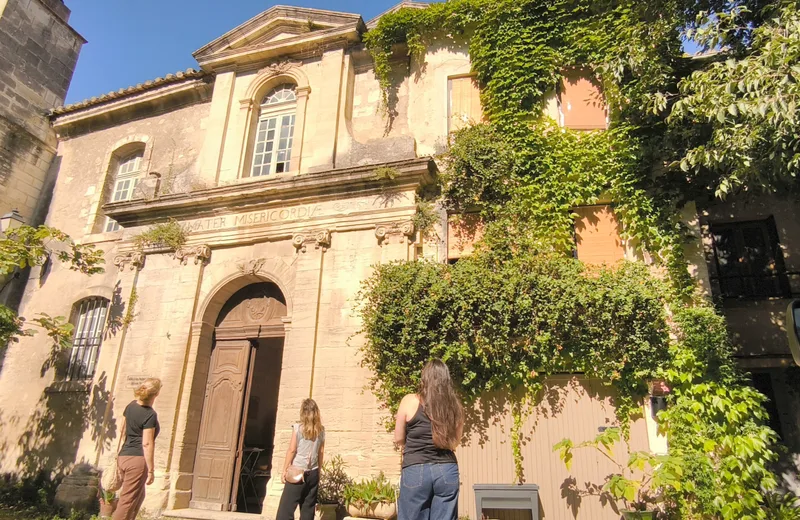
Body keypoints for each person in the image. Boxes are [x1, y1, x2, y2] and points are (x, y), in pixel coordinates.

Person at [395, 359, 464, 520]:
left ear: (424, 378)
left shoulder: (409, 401)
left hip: (416, 468)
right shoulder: (455, 406)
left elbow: (398, 438)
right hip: (447, 470)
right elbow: (455, 442)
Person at [113, 377, 162, 520]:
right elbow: (147, 443)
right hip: (137, 460)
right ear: (156, 394)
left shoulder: (130, 406)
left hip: (124, 455)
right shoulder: (150, 414)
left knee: (138, 497)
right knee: (127, 501)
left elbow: (122, 430)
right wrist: (151, 470)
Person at [276, 398, 325, 520]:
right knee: (308, 509)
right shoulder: (321, 430)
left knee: (285, 509)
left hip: (297, 472)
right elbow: (321, 452)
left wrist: (284, 469)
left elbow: (292, 450)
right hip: (313, 471)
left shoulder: (298, 428)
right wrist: (318, 471)